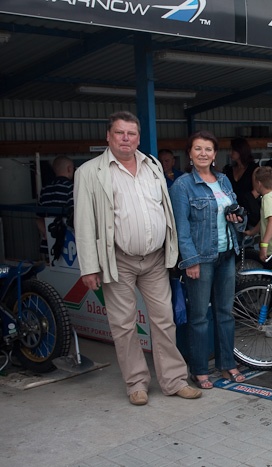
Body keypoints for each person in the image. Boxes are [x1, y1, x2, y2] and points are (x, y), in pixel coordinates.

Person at [74, 111, 201, 405]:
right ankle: (136, 383)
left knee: (164, 320)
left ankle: (174, 380)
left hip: (155, 258)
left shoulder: (152, 165)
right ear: (108, 136)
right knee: (123, 324)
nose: (126, 139)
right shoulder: (90, 172)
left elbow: (164, 208)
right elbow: (84, 222)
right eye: (120, 133)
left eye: (131, 133)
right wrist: (89, 267)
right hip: (117, 259)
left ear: (138, 138)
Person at [170, 130, 245, 389]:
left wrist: (238, 218)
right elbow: (181, 227)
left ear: (215, 155)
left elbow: (236, 215)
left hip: (227, 254)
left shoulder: (223, 180)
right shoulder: (182, 186)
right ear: (189, 154)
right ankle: (200, 370)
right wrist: (190, 260)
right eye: (198, 149)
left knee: (225, 313)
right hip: (200, 258)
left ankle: (227, 363)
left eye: (208, 149)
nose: (203, 153)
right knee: (200, 316)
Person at [243, 166, 272, 264]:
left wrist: (264, 244)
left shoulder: (267, 198)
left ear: (259, 183)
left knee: (269, 274)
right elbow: (264, 220)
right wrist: (251, 232)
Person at [36, 155, 75, 257]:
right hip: (69, 245)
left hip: (49, 244)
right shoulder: (71, 188)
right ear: (69, 169)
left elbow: (38, 218)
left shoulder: (45, 189)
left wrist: (47, 233)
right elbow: (76, 214)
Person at [224, 137, 261, 229]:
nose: (230, 153)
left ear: (240, 151)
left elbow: (257, 191)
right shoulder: (228, 170)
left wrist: (243, 202)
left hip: (249, 211)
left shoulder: (254, 168)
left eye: (233, 150)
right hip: (232, 210)